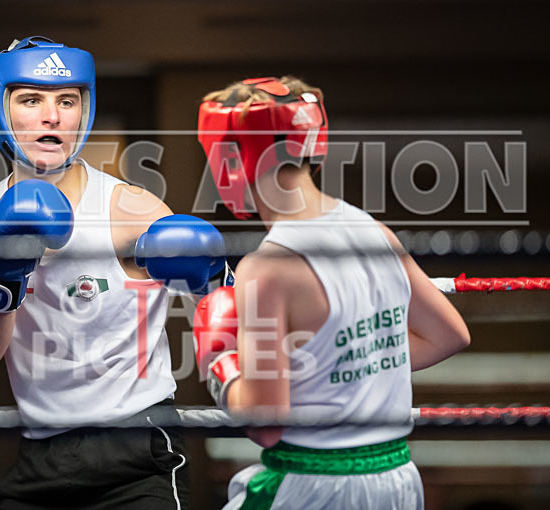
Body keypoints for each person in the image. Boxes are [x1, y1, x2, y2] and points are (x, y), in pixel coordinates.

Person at [0, 36, 224, 509]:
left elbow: (232, 312)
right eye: (31, 100)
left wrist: (218, 278)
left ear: (84, 112)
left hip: (139, 451)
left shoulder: (132, 210)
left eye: (67, 101)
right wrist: (6, 276)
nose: (52, 116)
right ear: (1, 109)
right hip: (40, 454)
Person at [192, 77, 471, 509]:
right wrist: (342, 368)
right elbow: (449, 335)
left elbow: (265, 425)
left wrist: (221, 364)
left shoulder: (266, 269)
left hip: (312, 483)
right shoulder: (374, 231)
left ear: (230, 158)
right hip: (397, 478)